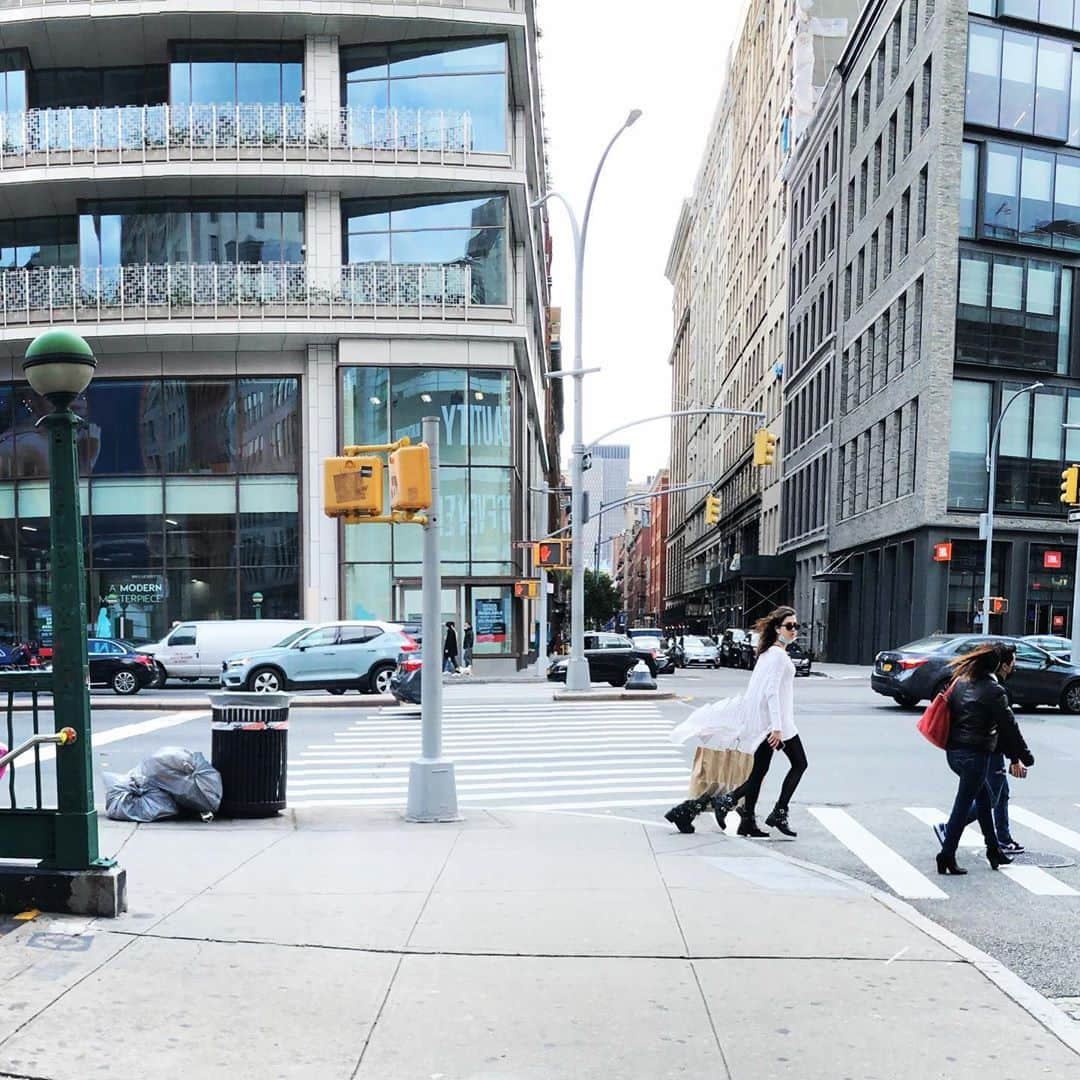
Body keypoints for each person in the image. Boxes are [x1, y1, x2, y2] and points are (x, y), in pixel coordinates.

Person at [665, 606, 808, 838]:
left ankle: (745, 819)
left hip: (767, 723)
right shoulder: (777, 656)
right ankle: (756, 808)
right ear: (777, 628)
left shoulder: (768, 653)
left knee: (758, 774)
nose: (794, 630)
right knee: (795, 765)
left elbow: (762, 691)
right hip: (775, 725)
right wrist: (776, 727)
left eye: (796, 626)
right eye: (789, 626)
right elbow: (770, 692)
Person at [935, 642, 1029, 875]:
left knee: (986, 801)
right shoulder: (993, 690)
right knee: (962, 807)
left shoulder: (960, 682)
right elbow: (1009, 727)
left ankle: (993, 849)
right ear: (997, 665)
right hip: (974, 756)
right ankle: (946, 855)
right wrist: (1024, 756)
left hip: (954, 753)